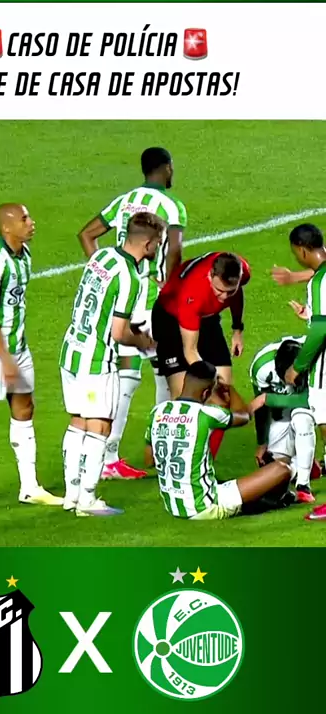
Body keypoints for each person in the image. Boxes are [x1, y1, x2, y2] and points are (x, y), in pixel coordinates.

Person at [78, 147, 187, 480]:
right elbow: (175, 251)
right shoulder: (171, 205)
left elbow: (87, 234)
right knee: (167, 371)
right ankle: (159, 448)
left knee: (128, 374)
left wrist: (104, 269)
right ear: (166, 168)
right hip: (152, 299)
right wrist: (170, 288)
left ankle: (109, 455)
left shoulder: (125, 200)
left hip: (125, 294)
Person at [60, 212, 163, 516]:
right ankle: (87, 500)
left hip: (71, 349)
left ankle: (71, 495)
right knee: (99, 425)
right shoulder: (129, 278)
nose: (159, 248)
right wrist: (143, 341)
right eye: (158, 242)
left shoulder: (101, 257)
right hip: (96, 359)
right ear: (147, 243)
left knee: (78, 422)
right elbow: (119, 333)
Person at [0, 203, 62, 511]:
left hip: (17, 346)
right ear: (7, 227)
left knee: (24, 407)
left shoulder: (24, 255)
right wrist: (4, 359)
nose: (31, 223)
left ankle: (30, 487)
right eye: (24, 219)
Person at [144, 361, 292, 520]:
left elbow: (149, 460)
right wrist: (228, 388)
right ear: (206, 393)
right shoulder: (206, 414)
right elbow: (244, 416)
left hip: (173, 506)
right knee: (282, 469)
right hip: (206, 505)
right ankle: (267, 503)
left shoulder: (158, 411)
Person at [152, 251, 250, 458]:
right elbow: (190, 351)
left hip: (207, 319)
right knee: (185, 401)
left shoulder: (241, 271)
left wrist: (237, 329)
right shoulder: (193, 292)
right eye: (219, 290)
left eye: (229, 291)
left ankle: (205, 463)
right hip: (171, 319)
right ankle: (175, 460)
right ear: (210, 275)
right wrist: (212, 381)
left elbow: (238, 293)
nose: (223, 297)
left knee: (223, 400)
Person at [276, 224, 326, 519]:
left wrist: (297, 367)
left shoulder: (319, 281)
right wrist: (310, 314)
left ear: (302, 250)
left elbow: (321, 331)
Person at [249, 336, 317, 503]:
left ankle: (303, 485)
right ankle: (301, 466)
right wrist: (262, 443)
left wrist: (269, 399)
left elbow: (312, 399)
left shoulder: (315, 361)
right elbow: (261, 408)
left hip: (314, 402)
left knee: (301, 419)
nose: (296, 379)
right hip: (285, 404)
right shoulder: (262, 368)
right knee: (277, 466)